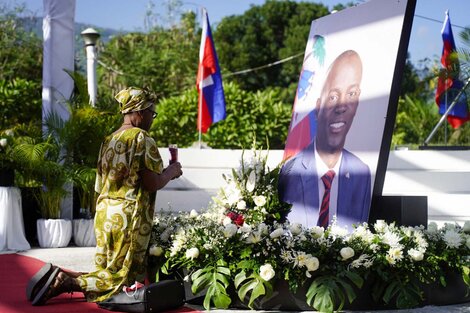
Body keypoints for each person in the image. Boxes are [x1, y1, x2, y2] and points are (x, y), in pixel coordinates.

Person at [27, 87, 183, 305]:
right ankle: (67, 282)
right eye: (151, 113)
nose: (152, 119)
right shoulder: (141, 138)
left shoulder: (108, 140)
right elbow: (151, 183)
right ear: (138, 111)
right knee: (123, 280)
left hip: (105, 212)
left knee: (109, 269)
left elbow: (100, 185)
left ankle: (65, 276)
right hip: (129, 216)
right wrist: (172, 171)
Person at [278, 50, 371, 229]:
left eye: (351, 94)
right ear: (318, 107)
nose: (341, 106)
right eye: (333, 97)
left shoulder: (361, 173)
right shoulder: (292, 170)